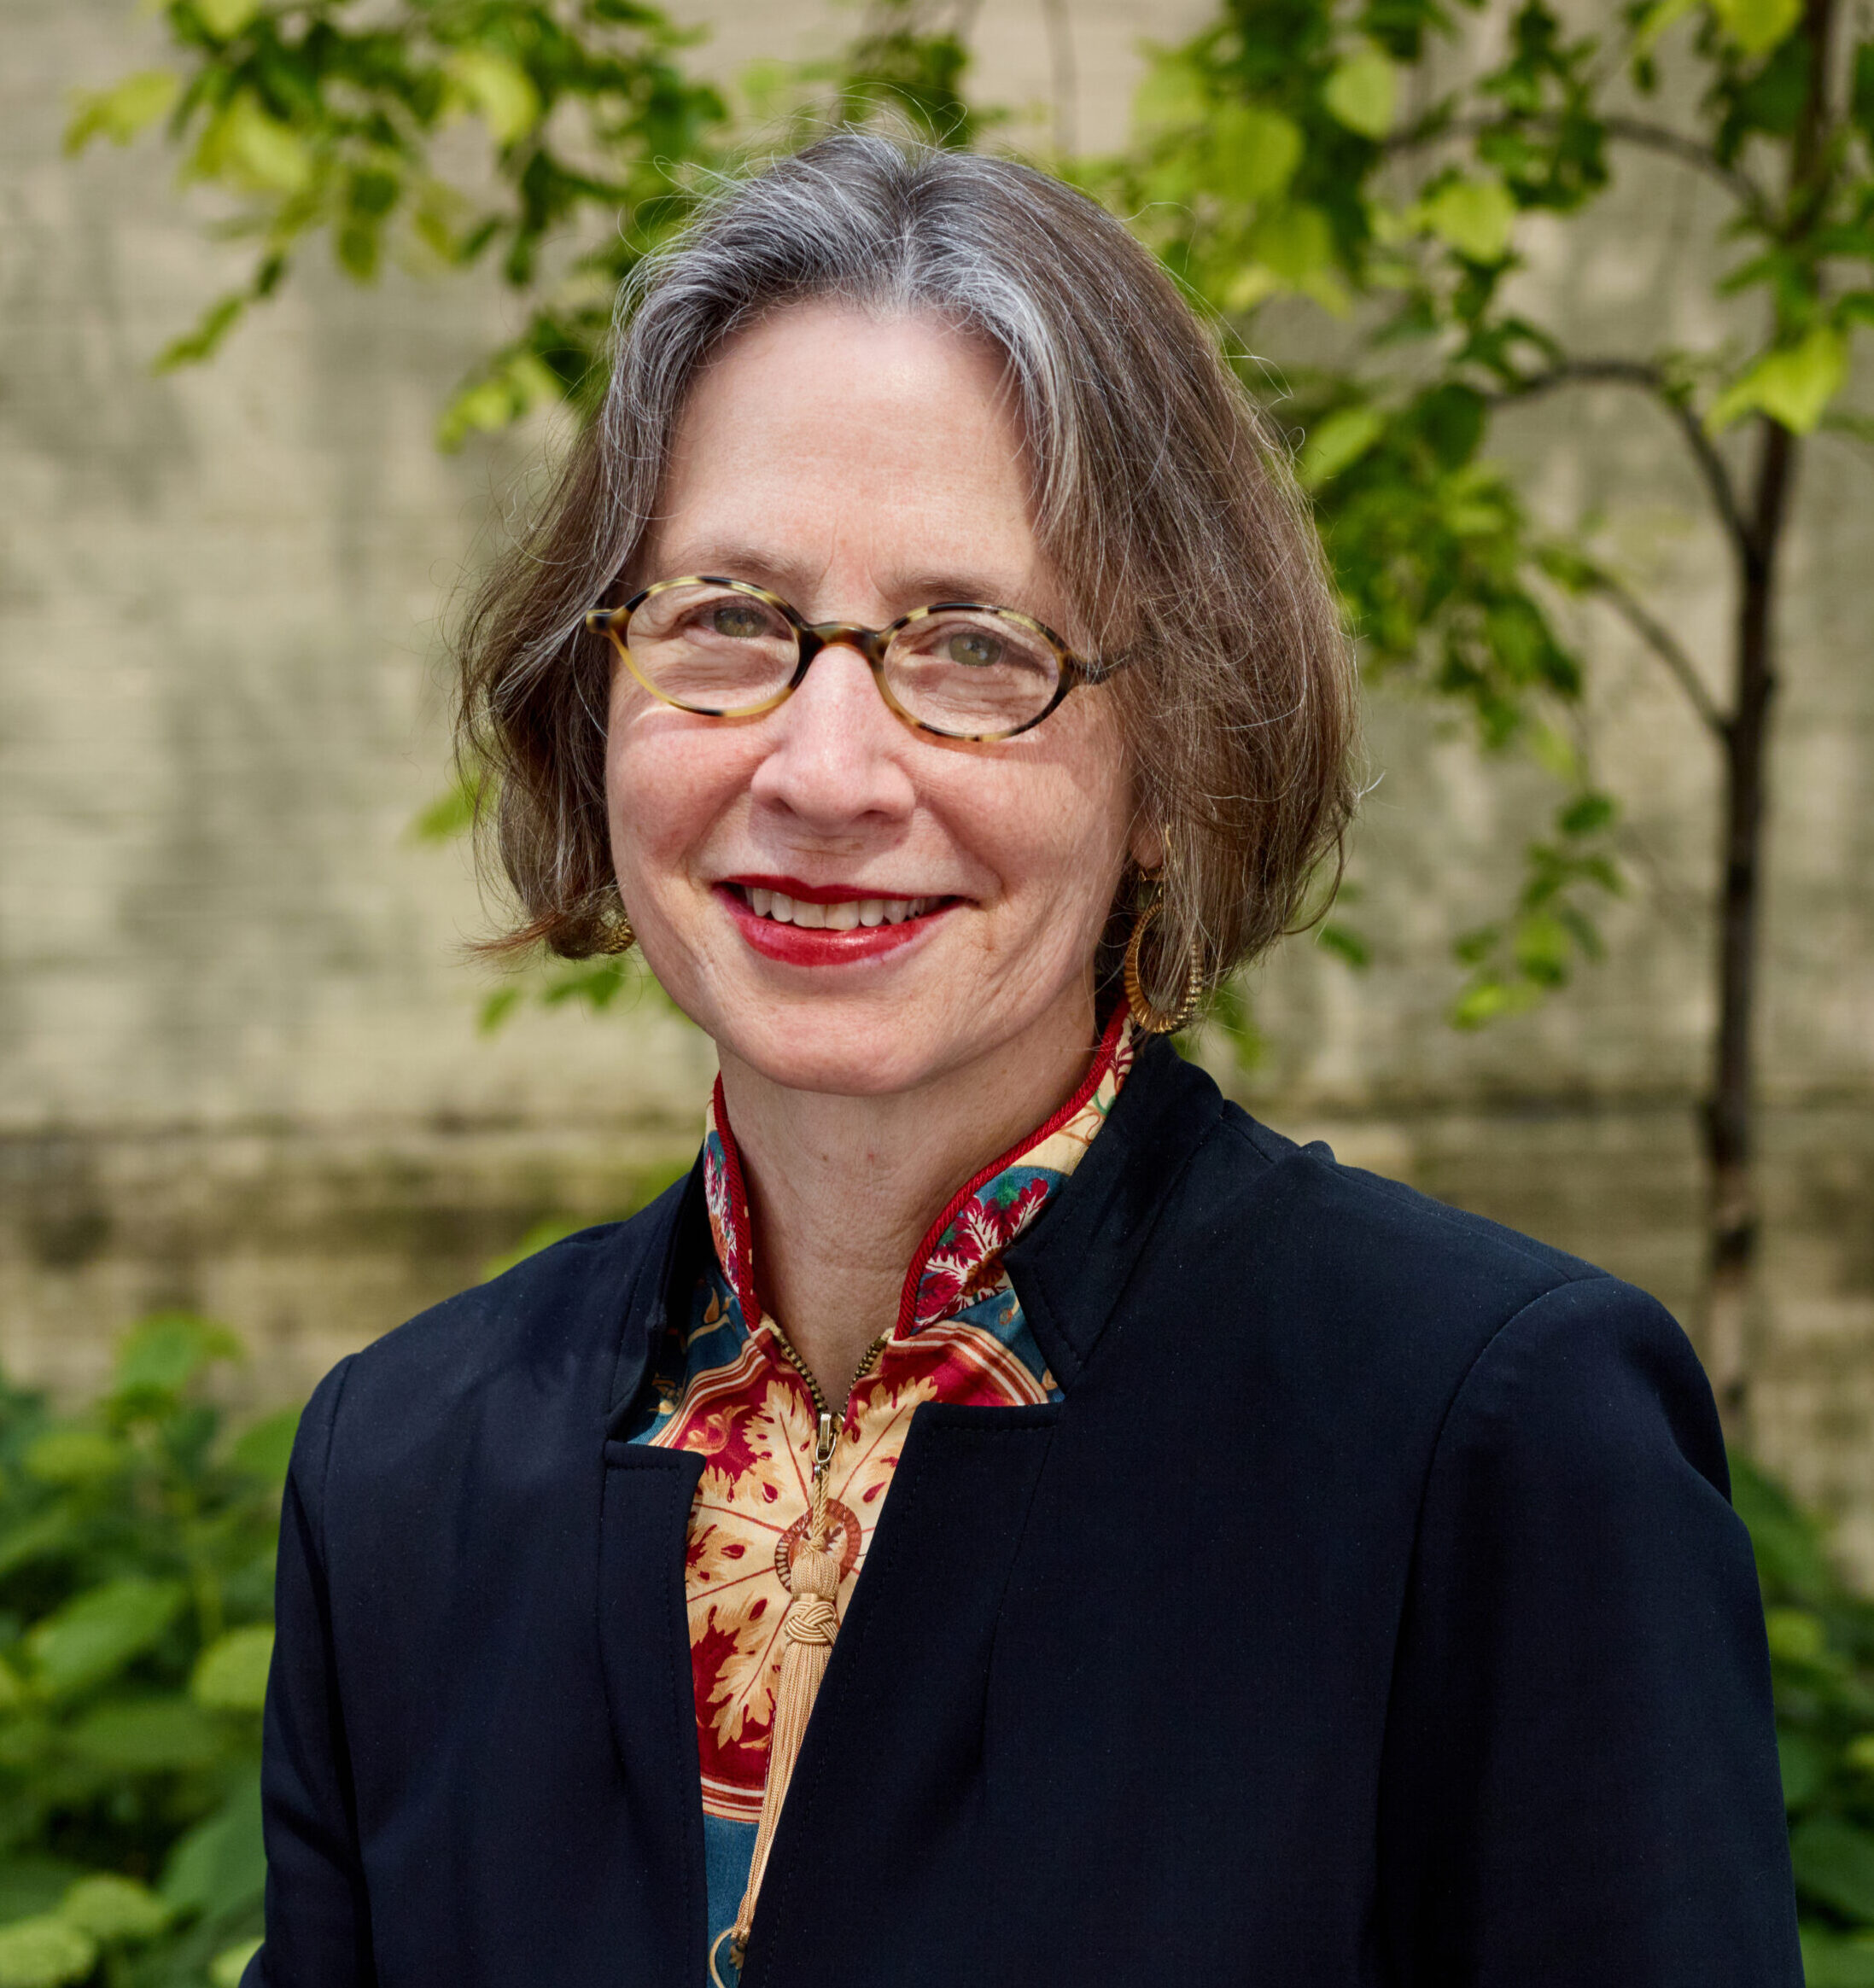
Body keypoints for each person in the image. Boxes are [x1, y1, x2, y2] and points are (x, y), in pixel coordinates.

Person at [247, 132, 1801, 1987]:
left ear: (1176, 760)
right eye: (730, 621)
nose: (825, 771)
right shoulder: (403, 1467)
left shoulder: (1488, 1445)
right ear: (596, 700)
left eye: (973, 647)